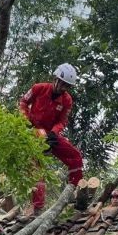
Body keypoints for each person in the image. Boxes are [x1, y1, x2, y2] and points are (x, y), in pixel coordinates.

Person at [19, 63, 84, 212]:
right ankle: (38, 207)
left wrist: (54, 133)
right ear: (56, 79)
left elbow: (62, 121)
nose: (63, 88)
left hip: (51, 134)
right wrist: (25, 122)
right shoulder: (38, 88)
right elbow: (23, 102)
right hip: (32, 131)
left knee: (75, 156)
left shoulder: (67, 100)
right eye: (62, 84)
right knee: (36, 170)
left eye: (67, 86)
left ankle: (74, 191)